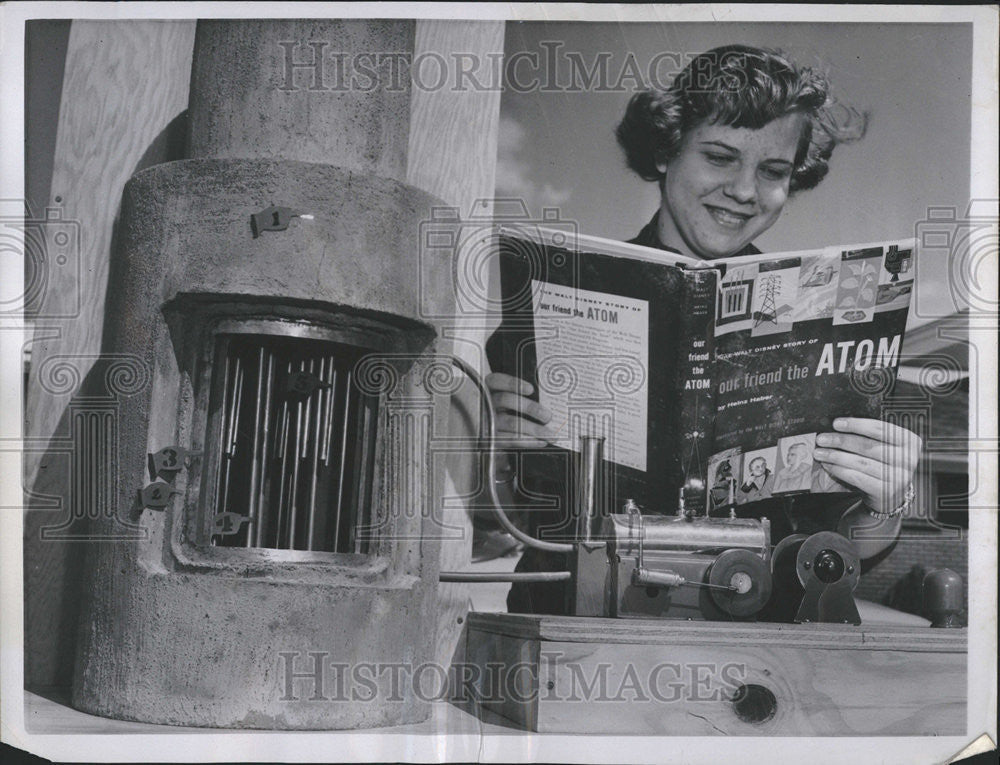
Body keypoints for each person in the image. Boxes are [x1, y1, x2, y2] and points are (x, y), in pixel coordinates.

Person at [485, 45, 922, 613]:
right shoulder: (556, 297)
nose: (744, 191)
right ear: (667, 152)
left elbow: (841, 551)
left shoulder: (821, 322)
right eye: (719, 157)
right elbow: (499, 521)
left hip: (757, 632)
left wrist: (882, 503)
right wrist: (488, 452)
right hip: (579, 625)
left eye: (773, 171)